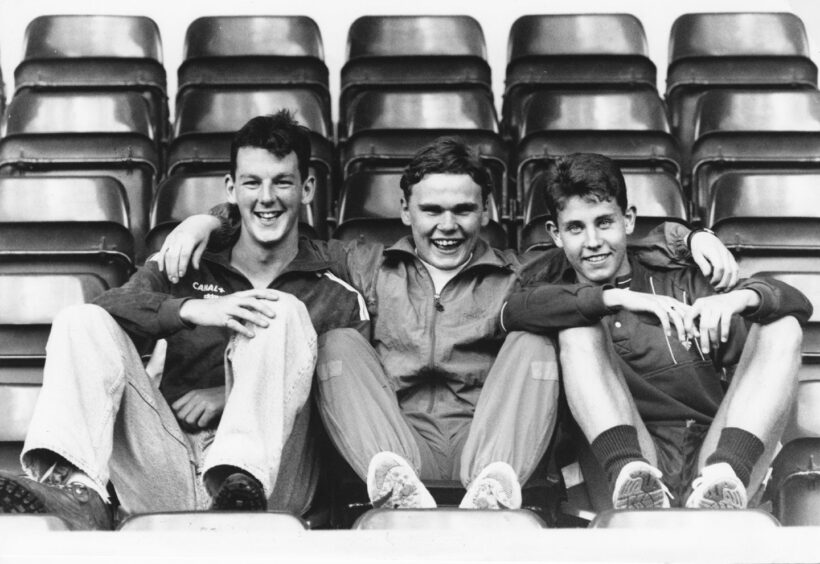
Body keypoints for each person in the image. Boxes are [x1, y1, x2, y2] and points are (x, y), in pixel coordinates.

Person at [158, 138, 738, 511]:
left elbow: (606, 232)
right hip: (392, 448)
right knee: (336, 341)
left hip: (487, 452)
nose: (447, 225)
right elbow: (274, 225)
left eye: (463, 210)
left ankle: (493, 491)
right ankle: (398, 494)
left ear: (486, 212)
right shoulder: (361, 261)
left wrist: (687, 235)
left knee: (537, 336)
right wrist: (213, 218)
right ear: (405, 211)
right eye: (431, 211)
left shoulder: (523, 272)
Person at [0, 111, 369, 530]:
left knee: (280, 309)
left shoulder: (336, 290)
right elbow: (113, 306)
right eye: (252, 182)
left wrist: (228, 394)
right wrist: (190, 309)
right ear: (232, 189)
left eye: (282, 181)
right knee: (80, 319)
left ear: (306, 188)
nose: (266, 197)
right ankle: (80, 492)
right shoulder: (185, 261)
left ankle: (240, 479)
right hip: (168, 465)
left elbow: (346, 407)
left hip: (272, 487)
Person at [501, 153, 812, 510]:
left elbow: (798, 304)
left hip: (712, 455)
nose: (593, 241)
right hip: (624, 458)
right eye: (575, 228)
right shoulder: (546, 286)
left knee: (782, 325)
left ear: (628, 220)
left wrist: (740, 298)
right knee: (577, 329)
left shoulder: (679, 277)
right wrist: (620, 298)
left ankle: (724, 482)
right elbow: (513, 311)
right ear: (556, 234)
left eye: (604, 222)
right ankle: (634, 484)